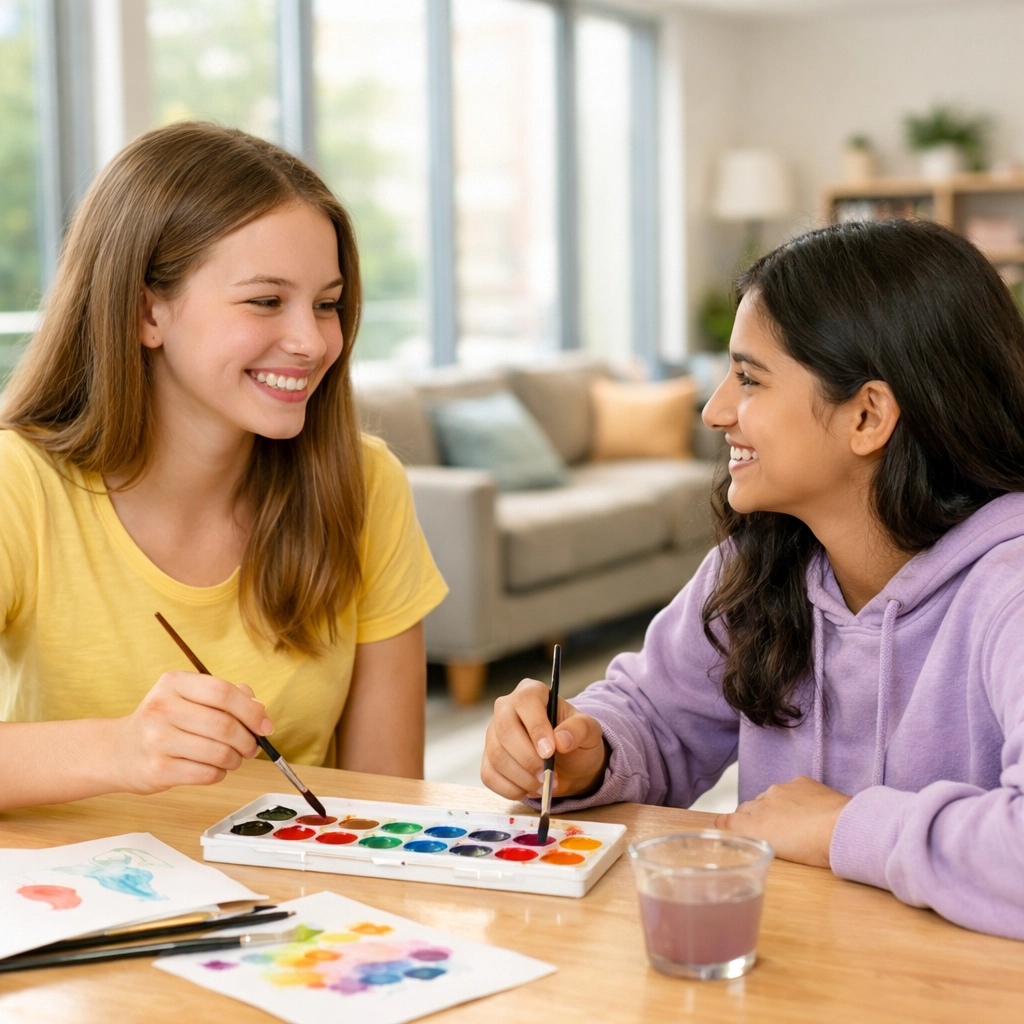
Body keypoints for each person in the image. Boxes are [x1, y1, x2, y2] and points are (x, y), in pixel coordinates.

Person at [482, 218, 1024, 940]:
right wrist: (588, 749)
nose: (714, 412)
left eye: (749, 379)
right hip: (793, 976)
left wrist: (845, 827)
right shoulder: (760, 564)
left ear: (868, 415)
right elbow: (654, 716)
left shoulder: (1008, 587)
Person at [0, 122, 447, 811]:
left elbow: (384, 803)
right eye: (265, 301)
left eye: (327, 304)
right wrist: (121, 749)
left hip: (290, 912)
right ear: (147, 312)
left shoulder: (363, 484)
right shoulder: (16, 483)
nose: (311, 341)